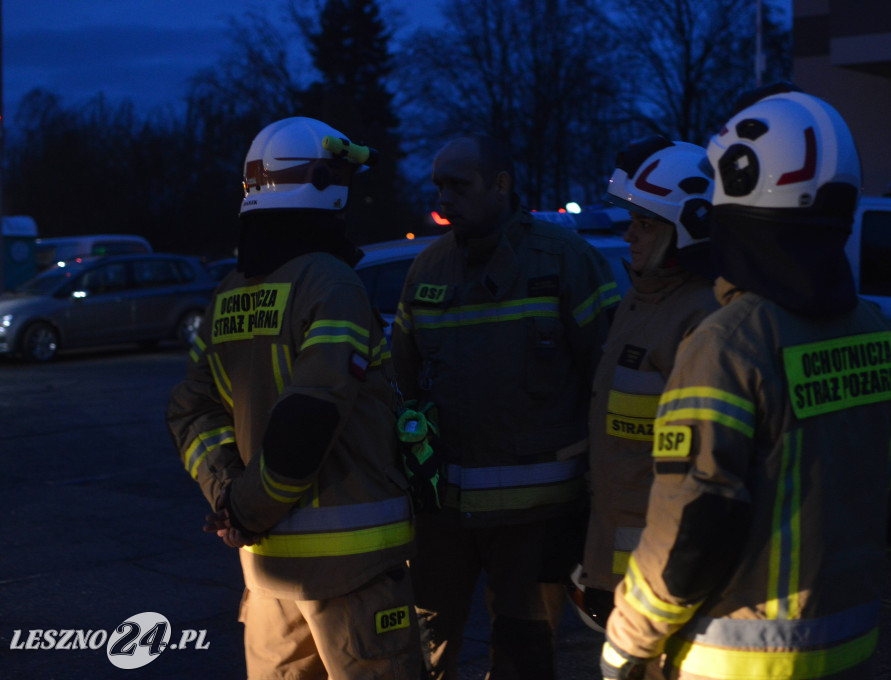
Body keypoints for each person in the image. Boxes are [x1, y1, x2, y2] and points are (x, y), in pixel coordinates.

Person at [599, 87, 891, 680]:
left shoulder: (728, 343)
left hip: (735, 661)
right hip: (852, 645)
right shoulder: (879, 334)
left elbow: (692, 525)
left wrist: (626, 642)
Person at [166, 116, 423, 679]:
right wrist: (246, 507)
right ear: (324, 182)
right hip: (351, 574)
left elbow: (191, 409)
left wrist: (226, 493)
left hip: (267, 579)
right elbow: (310, 415)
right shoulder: (331, 284)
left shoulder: (229, 295)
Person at [390, 134, 619, 680]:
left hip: (534, 521)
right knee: (419, 651)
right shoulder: (427, 271)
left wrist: (599, 500)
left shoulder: (566, 262)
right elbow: (400, 387)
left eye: (458, 185)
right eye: (438, 185)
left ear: (501, 185)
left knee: (524, 655)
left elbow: (607, 384)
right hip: (441, 519)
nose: (445, 197)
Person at [570, 138, 719, 645]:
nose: (628, 233)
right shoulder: (640, 302)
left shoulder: (702, 316)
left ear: (689, 229)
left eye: (646, 223)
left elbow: (705, 473)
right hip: (619, 557)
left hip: (663, 572)